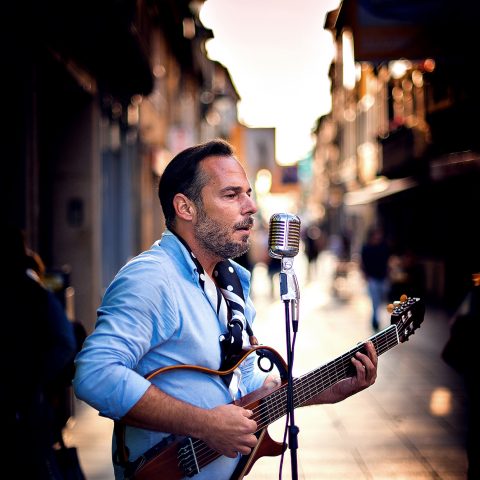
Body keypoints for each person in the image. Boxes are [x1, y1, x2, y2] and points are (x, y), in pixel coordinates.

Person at [73, 139, 378, 480]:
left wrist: (324, 390)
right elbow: (94, 374)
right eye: (231, 195)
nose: (250, 206)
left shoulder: (231, 282)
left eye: (248, 193)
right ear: (186, 208)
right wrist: (205, 424)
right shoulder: (152, 278)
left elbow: (248, 385)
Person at [2, 224, 78, 479]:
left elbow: (64, 343)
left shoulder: (31, 290)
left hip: (28, 405)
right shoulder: (30, 288)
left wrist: (35, 378)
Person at [360, 226, 391, 332]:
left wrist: (388, 274)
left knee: (381, 300)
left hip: (382, 278)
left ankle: (376, 319)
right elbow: (362, 263)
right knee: (375, 301)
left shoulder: (384, 247)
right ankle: (375, 321)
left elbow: (387, 262)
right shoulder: (366, 248)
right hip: (373, 279)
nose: (378, 237)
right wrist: (365, 275)